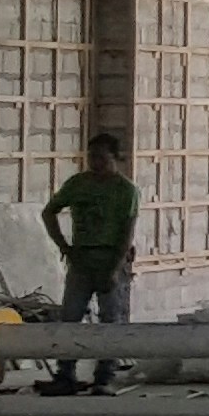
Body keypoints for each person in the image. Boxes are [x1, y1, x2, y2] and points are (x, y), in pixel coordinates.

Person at [39, 134, 139, 395]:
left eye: (102, 159)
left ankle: (105, 376)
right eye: (92, 158)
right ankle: (66, 373)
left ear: (115, 159)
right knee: (70, 316)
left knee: (110, 320)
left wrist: (115, 267)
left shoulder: (126, 190)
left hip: (111, 257)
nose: (96, 164)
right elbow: (49, 212)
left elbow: (127, 231)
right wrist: (64, 247)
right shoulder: (78, 184)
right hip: (82, 258)